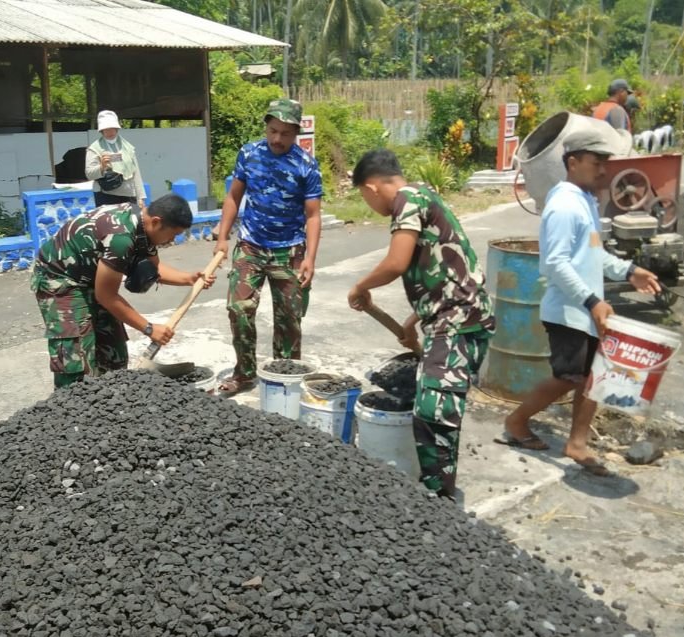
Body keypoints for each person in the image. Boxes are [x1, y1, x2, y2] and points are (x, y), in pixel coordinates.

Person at [501, 128, 660, 474]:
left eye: (606, 162)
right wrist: (592, 302)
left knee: (592, 378)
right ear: (573, 162)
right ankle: (516, 422)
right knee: (568, 378)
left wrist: (630, 270)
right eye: (596, 162)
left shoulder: (584, 201)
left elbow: (594, 254)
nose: (604, 170)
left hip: (586, 310)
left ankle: (577, 444)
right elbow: (554, 263)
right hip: (568, 312)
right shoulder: (562, 206)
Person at [347, 149, 495, 500]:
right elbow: (442, 270)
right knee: (433, 403)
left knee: (434, 408)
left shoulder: (406, 201)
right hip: (452, 314)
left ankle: (439, 498)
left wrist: (361, 286)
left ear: (371, 188)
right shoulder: (423, 195)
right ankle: (435, 488)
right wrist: (413, 320)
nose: (369, 205)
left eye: (364, 198)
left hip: (459, 318)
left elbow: (396, 262)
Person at [31, 194, 215, 389]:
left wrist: (190, 279)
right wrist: (149, 328)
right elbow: (106, 296)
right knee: (76, 357)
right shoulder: (120, 236)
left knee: (113, 351)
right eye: (173, 234)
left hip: (91, 278)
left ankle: (109, 402)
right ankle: (70, 409)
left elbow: (154, 269)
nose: (172, 240)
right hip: (60, 280)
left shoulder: (145, 229)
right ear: (156, 221)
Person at [213, 99, 323, 396]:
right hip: (251, 245)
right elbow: (234, 197)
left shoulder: (306, 164)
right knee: (238, 308)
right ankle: (245, 373)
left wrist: (310, 258)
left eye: (285, 133)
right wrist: (223, 236)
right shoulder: (249, 154)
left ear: (296, 133)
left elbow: (313, 215)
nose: (277, 138)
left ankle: (284, 378)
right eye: (273, 130)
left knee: (289, 318)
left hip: (290, 250)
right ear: (266, 127)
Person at [85, 110, 148, 208]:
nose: (110, 132)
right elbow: (89, 174)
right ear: (101, 130)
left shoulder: (127, 147)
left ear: (117, 128)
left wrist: (140, 197)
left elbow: (136, 173)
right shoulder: (94, 149)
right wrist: (101, 167)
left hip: (129, 196)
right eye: (106, 129)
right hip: (106, 196)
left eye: (112, 128)